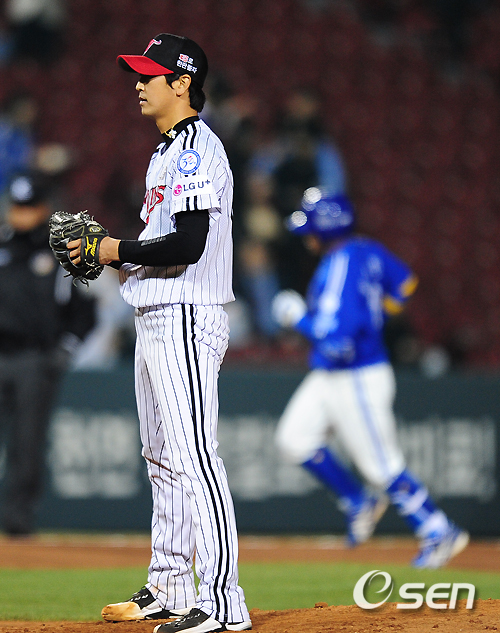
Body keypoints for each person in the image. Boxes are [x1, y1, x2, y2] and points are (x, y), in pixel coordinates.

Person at [64, 33, 251, 633]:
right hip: (155, 314)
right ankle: (169, 587)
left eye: (150, 75)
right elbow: (163, 243)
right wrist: (114, 254)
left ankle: (223, 604)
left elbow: (189, 244)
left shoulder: (195, 147)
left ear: (182, 83)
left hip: (187, 313)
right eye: (138, 74)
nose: (139, 84)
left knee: (195, 459)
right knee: (163, 459)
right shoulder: (165, 150)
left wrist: (113, 249)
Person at [272, 187, 469, 569]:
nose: (306, 236)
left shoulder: (339, 265)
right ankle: (357, 501)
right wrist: (375, 312)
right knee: (294, 439)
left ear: (326, 229)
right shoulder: (367, 250)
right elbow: (405, 283)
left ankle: (438, 529)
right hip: (332, 375)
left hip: (357, 376)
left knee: (382, 466)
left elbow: (335, 341)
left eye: (311, 228)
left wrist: (297, 318)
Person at [0, 170, 95, 536]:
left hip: (34, 358)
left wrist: (66, 347)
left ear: (43, 209)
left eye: (28, 206)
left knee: (27, 442)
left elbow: (85, 312)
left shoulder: (60, 253)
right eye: (17, 206)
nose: (20, 214)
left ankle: (18, 519)